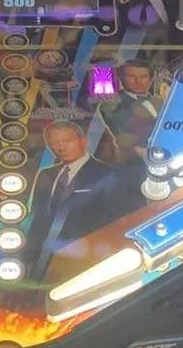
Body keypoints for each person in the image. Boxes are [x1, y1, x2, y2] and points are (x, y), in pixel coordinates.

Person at [28, 121, 126, 271]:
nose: (61, 147)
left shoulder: (106, 174)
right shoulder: (45, 174)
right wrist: (29, 257)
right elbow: (38, 218)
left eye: (67, 141)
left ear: (83, 142)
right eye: (54, 143)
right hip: (43, 261)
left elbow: (114, 221)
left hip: (87, 259)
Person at [100, 59, 161, 161]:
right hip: (136, 159)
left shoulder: (161, 102)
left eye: (143, 77)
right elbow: (126, 136)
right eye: (131, 76)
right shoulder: (111, 104)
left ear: (151, 79)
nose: (138, 81)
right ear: (122, 78)